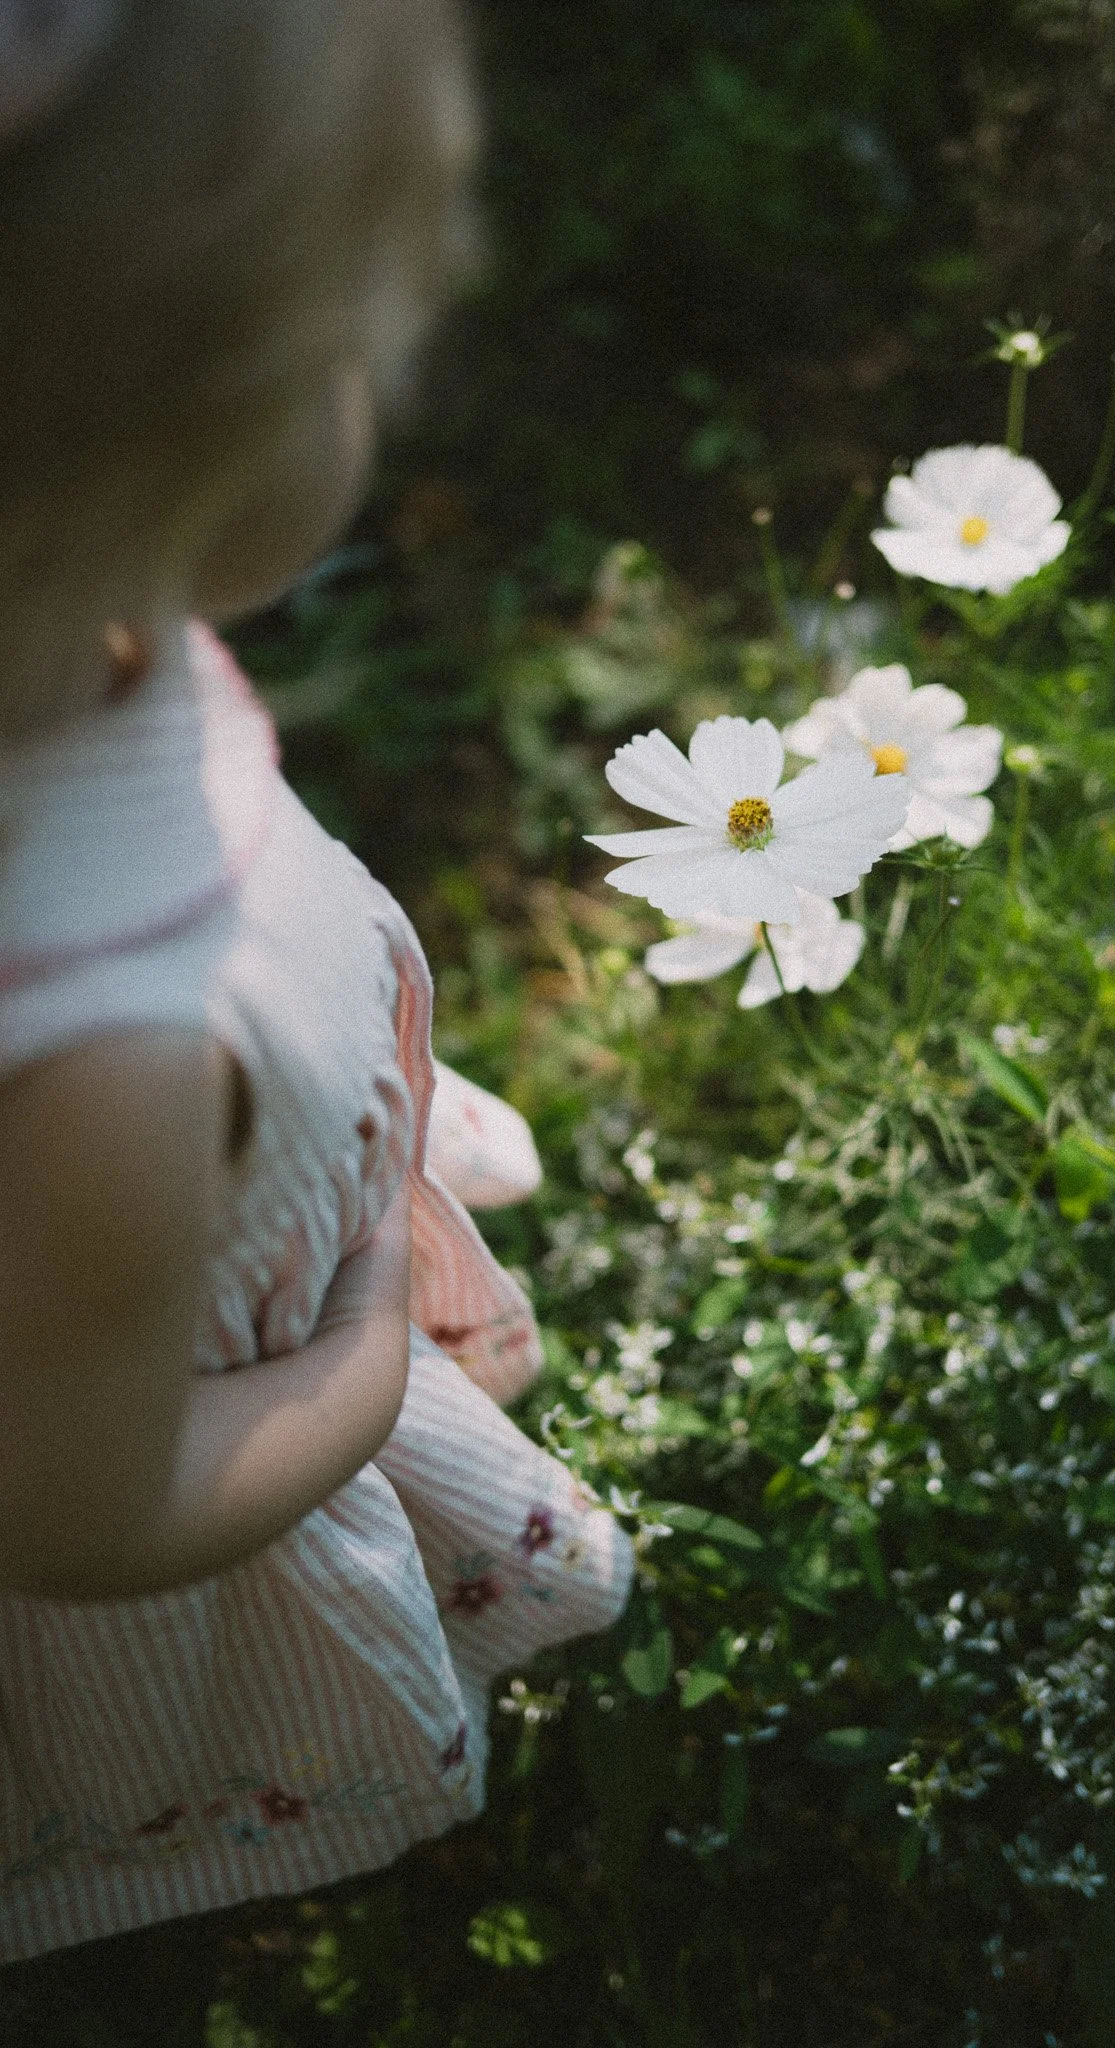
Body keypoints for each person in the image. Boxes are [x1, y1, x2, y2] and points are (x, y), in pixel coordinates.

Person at [0, 0, 632, 1961]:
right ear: (155, 453)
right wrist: (356, 1360)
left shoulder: (64, 632)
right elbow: (77, 1510)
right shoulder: (103, 1064)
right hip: (172, 1407)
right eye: (342, 350)